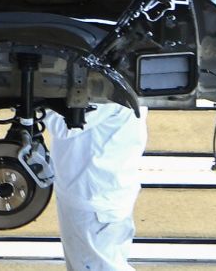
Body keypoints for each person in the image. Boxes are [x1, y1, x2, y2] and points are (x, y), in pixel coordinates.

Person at [42, 102, 147, 271]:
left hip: (93, 201)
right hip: (92, 193)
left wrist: (28, 96)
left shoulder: (107, 93)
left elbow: (64, 125)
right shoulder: (117, 84)